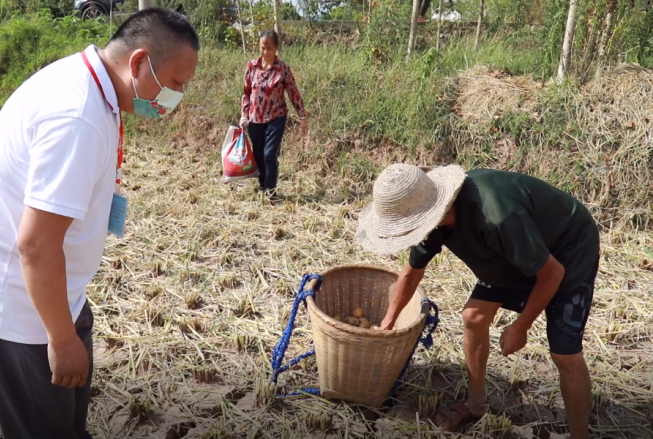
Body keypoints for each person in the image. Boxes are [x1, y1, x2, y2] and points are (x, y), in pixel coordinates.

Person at [0, 8, 199, 439]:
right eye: (176, 84)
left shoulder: (95, 88)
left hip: (55, 296)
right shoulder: (77, 115)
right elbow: (36, 245)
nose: (176, 98)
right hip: (22, 309)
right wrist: (62, 340)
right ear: (139, 63)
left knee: (67, 425)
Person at [356, 164, 600, 437]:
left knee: (564, 354)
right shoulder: (432, 218)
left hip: (567, 247)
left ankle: (580, 434)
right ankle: (475, 404)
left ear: (430, 214)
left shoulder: (497, 217)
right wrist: (388, 321)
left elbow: (552, 273)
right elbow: (411, 273)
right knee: (473, 317)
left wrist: (521, 326)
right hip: (516, 247)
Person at [240, 29, 307, 205]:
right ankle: (263, 185)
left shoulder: (282, 69)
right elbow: (246, 93)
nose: (266, 52)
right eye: (263, 47)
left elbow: (293, 92)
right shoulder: (251, 67)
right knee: (259, 154)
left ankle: (271, 191)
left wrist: (302, 116)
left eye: (270, 48)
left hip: (276, 117)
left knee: (270, 154)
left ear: (276, 48)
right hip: (255, 118)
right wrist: (244, 114)